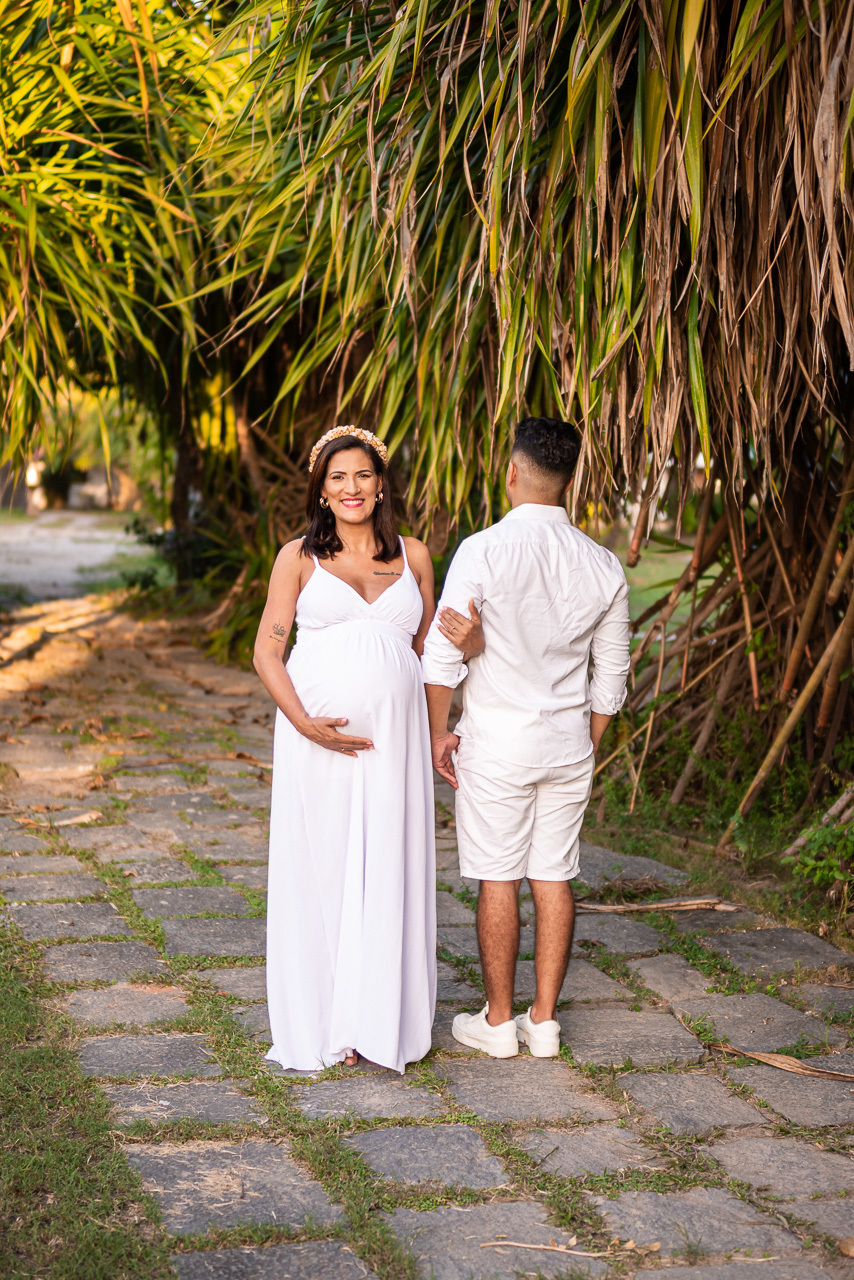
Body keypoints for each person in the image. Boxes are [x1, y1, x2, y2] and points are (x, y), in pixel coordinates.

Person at [253, 425, 482, 1073]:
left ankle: (378, 1022)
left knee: (388, 863)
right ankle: (327, 1019)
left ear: (381, 484)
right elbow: (268, 650)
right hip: (318, 740)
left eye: (361, 476)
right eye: (337, 479)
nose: (350, 488)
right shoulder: (298, 556)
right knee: (325, 866)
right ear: (321, 492)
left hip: (397, 744)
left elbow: (431, 651)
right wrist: (303, 722)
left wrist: (461, 670)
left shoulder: (414, 556)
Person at [422, 417, 630, 1058]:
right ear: (570, 480)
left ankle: (497, 1022)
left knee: (497, 880)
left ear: (511, 472)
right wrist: (587, 739)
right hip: (566, 746)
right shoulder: (604, 565)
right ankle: (543, 1024)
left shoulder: (482, 551)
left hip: (497, 745)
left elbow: (442, 652)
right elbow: (613, 673)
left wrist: (437, 733)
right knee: (553, 877)